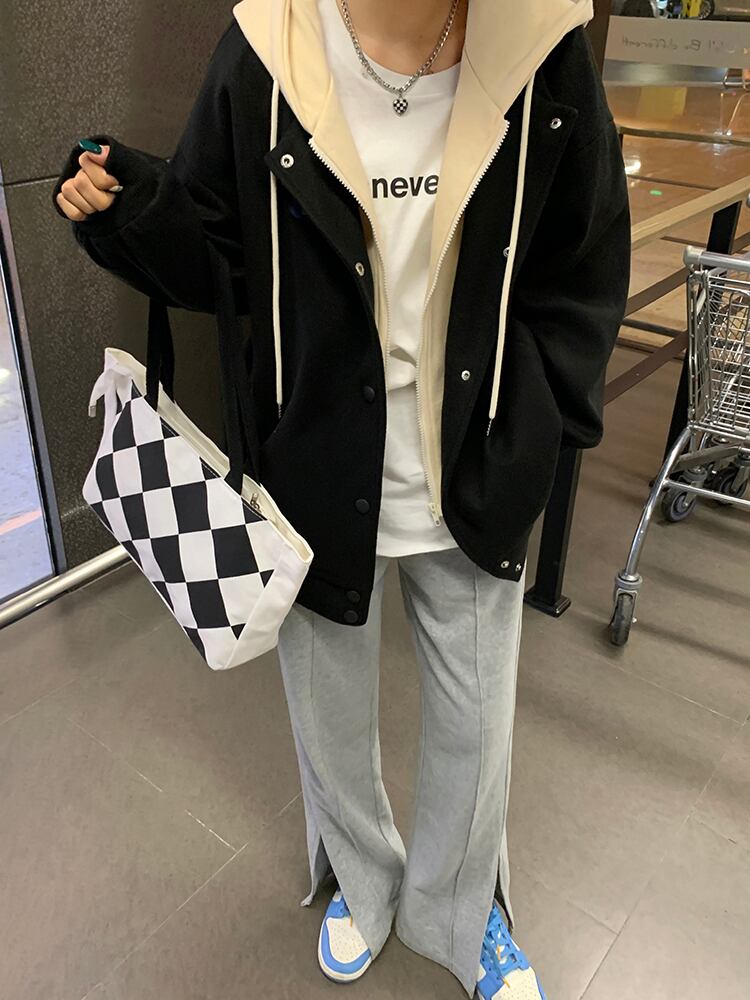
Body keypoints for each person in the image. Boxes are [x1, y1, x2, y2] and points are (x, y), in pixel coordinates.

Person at [52, 0, 630, 995]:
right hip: (317, 465)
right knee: (326, 716)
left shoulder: (542, 47)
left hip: (476, 464)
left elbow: (583, 260)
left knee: (476, 724)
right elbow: (219, 246)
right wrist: (129, 206)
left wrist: (542, 423)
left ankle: (462, 911)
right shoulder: (270, 46)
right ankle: (362, 884)